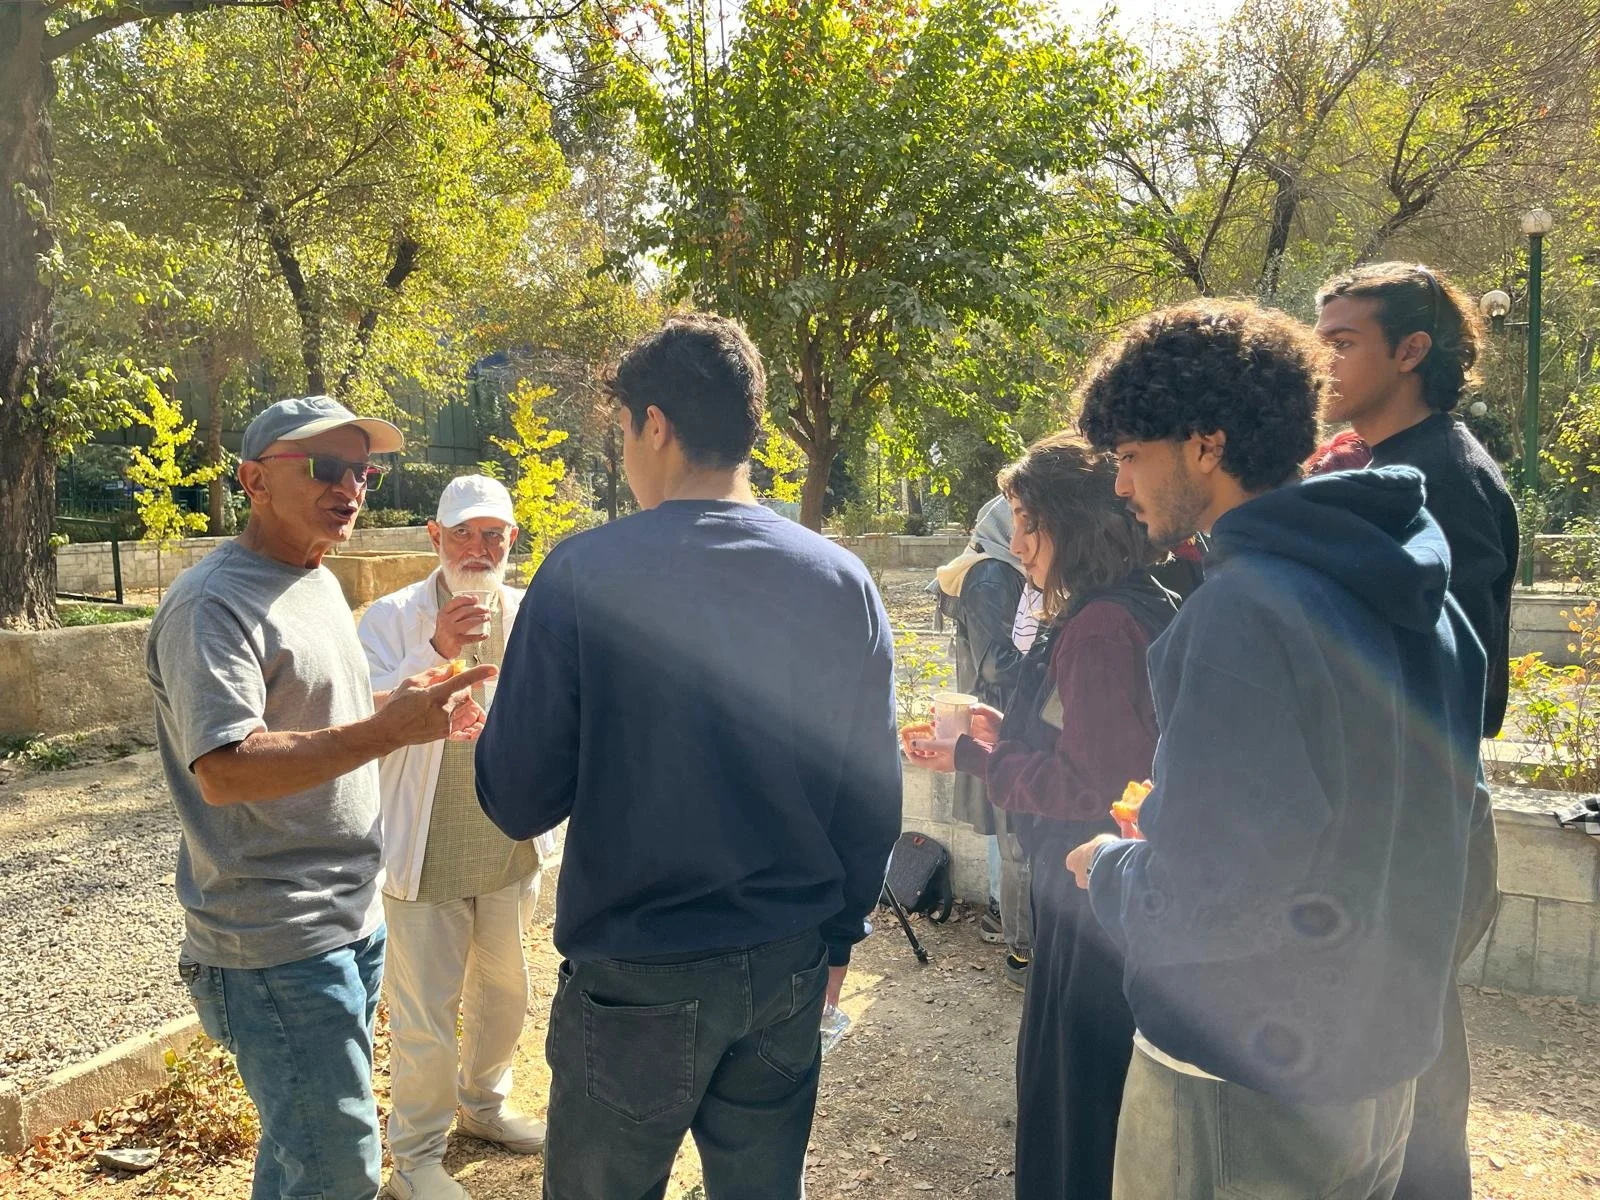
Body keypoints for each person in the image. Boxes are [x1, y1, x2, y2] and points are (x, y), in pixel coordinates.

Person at [475, 313, 902, 1200]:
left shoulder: (584, 574)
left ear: (655, 425)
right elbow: (870, 789)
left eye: (624, 430)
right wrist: (841, 936)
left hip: (636, 971)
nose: (625, 452)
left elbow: (518, 798)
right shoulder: (837, 577)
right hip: (786, 959)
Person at [1071, 301, 1487, 1200]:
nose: (1119, 485)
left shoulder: (1243, 612)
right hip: (1382, 1068)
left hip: (1241, 1085)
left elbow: (1211, 900)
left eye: (1130, 456)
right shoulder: (1422, 592)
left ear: (1206, 445)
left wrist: (1110, 868)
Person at [147, 396, 494, 1200]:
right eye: (326, 468)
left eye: (362, 470)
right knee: (341, 1167)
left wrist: (400, 711)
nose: (351, 486)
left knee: (302, 1147)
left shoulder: (315, 581)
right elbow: (225, 768)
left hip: (346, 916)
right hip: (275, 938)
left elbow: (320, 725)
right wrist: (383, 735)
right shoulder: (212, 604)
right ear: (253, 480)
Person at [907, 434, 1177, 1200]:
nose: (1017, 543)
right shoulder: (1126, 603)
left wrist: (979, 760)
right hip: (1104, 891)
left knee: (1077, 1098)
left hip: (1089, 896)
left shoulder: (1099, 628)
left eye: (1029, 520)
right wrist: (1008, 730)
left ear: (1073, 522)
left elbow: (1089, 785)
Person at [1316, 262, 1518, 1200]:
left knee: (1413, 1075)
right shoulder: (1374, 468)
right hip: (1385, 812)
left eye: (1344, 342)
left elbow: (1458, 685)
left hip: (1422, 818)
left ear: (1412, 351)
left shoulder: (1446, 480)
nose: (1324, 361)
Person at [358, 475, 557, 1200]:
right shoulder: (389, 619)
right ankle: (414, 1158)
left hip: (508, 842)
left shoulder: (531, 612)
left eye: (494, 534)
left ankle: (484, 1106)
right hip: (423, 846)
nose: (479, 548)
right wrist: (435, 653)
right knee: (426, 1013)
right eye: (464, 534)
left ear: (512, 541)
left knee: (506, 991)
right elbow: (359, 722)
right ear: (434, 538)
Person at [933, 496, 1032, 986]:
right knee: (1015, 839)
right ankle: (1020, 950)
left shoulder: (999, 569)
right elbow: (996, 660)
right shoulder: (992, 575)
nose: (1024, 538)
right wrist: (1052, 666)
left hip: (1001, 714)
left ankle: (1008, 924)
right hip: (1000, 715)